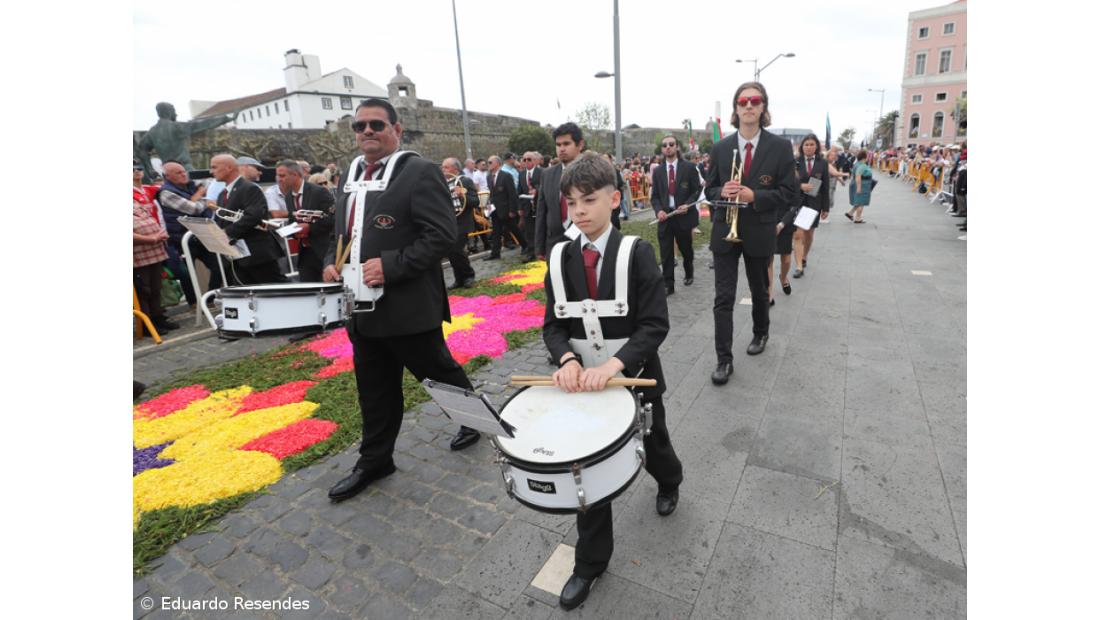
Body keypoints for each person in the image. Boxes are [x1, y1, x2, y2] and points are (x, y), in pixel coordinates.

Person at [542, 152, 682, 611]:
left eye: (589, 200)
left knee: (654, 441)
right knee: (586, 469)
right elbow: (552, 324)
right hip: (582, 386)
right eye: (571, 202)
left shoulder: (637, 253)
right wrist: (565, 358)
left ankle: (669, 480)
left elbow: (654, 326)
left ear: (614, 199)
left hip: (634, 380)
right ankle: (590, 563)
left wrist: (614, 366)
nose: (579, 210)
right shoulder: (560, 256)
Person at [321, 98, 480, 502]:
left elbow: (443, 236)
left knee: (438, 372)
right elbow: (342, 233)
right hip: (361, 308)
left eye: (376, 124)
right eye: (360, 126)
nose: (367, 132)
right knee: (373, 390)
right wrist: (330, 262)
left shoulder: (419, 171)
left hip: (407, 306)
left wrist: (390, 266)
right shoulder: (350, 174)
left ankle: (473, 420)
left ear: (397, 128)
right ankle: (375, 461)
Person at [705, 82, 798, 384]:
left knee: (759, 290)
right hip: (725, 230)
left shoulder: (780, 147)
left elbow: (788, 193)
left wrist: (754, 196)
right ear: (736, 109)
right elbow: (709, 190)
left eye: (754, 101)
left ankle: (761, 332)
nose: (748, 106)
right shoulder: (720, 148)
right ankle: (724, 359)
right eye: (742, 101)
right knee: (723, 297)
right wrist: (723, 190)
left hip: (759, 229)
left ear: (762, 108)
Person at [209, 154, 287, 284]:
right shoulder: (223, 194)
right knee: (248, 294)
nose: (211, 171)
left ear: (229, 168)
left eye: (214, 167)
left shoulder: (249, 188)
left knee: (275, 288)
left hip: (257, 254)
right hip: (238, 255)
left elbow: (253, 216)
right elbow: (222, 218)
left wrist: (226, 232)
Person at [157, 161, 215, 305]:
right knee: (188, 274)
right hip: (181, 238)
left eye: (184, 171)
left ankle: (211, 298)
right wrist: (202, 196)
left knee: (219, 266)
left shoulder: (191, 184)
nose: (184, 174)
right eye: (178, 173)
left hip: (201, 234)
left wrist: (197, 197)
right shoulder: (166, 193)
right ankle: (193, 303)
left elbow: (210, 183)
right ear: (167, 176)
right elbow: (193, 209)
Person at [651, 135, 703, 295]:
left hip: (684, 217)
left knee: (685, 249)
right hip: (666, 218)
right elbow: (655, 196)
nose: (668, 147)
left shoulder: (688, 167)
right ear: (662, 149)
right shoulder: (658, 171)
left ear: (677, 147)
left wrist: (688, 203)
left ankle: (689, 271)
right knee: (666, 253)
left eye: (671, 144)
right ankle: (668, 284)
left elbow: (697, 189)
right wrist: (659, 210)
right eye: (665, 145)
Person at [137, 102, 235, 182]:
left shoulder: (152, 132)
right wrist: (225, 118)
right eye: (174, 111)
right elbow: (201, 125)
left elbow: (142, 150)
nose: (176, 114)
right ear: (169, 112)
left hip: (168, 172)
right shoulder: (177, 127)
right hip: (185, 168)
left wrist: (150, 169)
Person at [134, 162, 178, 332]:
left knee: (156, 286)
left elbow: (152, 215)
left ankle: (158, 316)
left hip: (155, 248)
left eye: (139, 168)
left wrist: (159, 233)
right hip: (138, 252)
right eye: (132, 170)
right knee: (144, 289)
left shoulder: (145, 190)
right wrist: (151, 237)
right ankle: (147, 324)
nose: (137, 172)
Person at [277, 160, 335, 282]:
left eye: (282, 175)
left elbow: (333, 219)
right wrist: (292, 231)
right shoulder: (288, 197)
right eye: (277, 176)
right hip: (304, 254)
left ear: (295, 175)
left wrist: (309, 227)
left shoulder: (319, 192)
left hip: (324, 252)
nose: (279, 179)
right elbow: (294, 220)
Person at [534, 122, 586, 259]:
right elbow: (541, 211)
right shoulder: (547, 174)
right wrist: (540, 247)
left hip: (585, 243)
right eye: (558, 145)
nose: (561, 149)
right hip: (554, 246)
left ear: (580, 145)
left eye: (566, 144)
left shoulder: (593, 171)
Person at [791, 134, 829, 279]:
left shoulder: (822, 163)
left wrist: (826, 208)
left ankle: (804, 256)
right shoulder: (795, 161)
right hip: (797, 202)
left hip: (814, 203)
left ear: (817, 146)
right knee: (798, 234)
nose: (809, 147)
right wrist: (800, 186)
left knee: (809, 234)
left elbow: (825, 187)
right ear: (802, 147)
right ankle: (799, 266)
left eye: (812, 144)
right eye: (806, 144)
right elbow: (787, 182)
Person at [441, 157, 478, 288]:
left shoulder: (465, 181)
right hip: (448, 221)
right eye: (443, 167)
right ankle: (459, 278)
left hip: (462, 221)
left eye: (446, 167)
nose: (443, 169)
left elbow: (475, 202)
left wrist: (462, 195)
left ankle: (468, 275)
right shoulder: (442, 183)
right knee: (450, 250)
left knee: (456, 248)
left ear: (455, 169)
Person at [484, 155, 527, 260]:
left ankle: (525, 246)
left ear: (497, 163)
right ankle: (495, 253)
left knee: (514, 229)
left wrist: (512, 210)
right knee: (496, 232)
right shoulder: (489, 177)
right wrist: (488, 207)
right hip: (494, 209)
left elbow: (512, 194)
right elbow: (492, 194)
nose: (488, 164)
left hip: (506, 209)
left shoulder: (506, 176)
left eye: (490, 162)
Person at [518, 151, 542, 261]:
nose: (526, 162)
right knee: (529, 231)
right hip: (527, 207)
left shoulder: (542, 172)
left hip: (539, 207)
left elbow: (545, 188)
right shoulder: (522, 174)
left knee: (541, 229)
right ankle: (531, 252)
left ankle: (542, 250)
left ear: (535, 160)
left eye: (529, 159)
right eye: (524, 159)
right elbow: (519, 191)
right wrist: (520, 208)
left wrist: (537, 191)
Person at [845, 150, 874, 223]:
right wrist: (859, 187)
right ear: (864, 157)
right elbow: (858, 175)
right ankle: (858, 218)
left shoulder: (857, 164)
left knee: (859, 201)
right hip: (862, 184)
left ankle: (850, 213)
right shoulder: (862, 165)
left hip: (860, 183)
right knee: (861, 202)